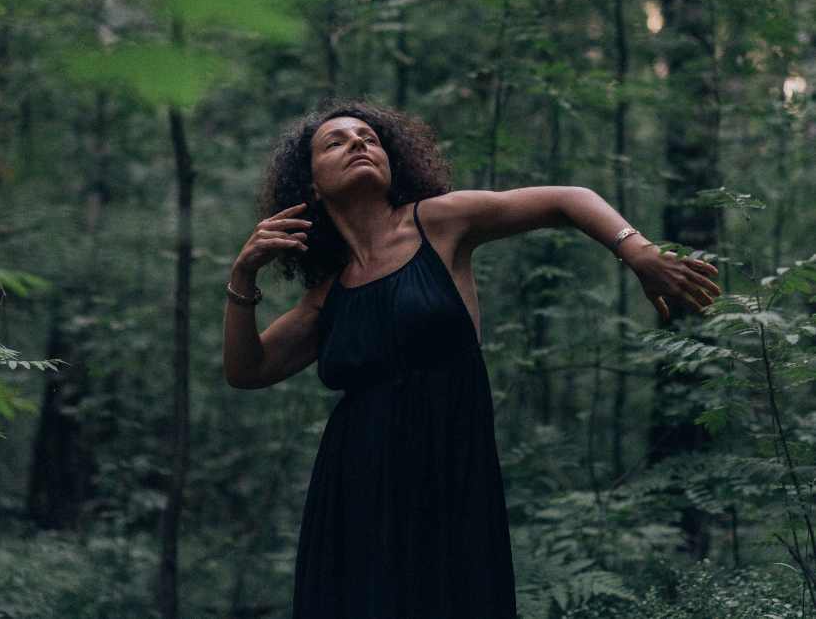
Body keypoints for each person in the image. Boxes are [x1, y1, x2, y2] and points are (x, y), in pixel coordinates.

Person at [223, 101, 721, 619]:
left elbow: (568, 200)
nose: (358, 143)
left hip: (448, 469)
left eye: (369, 137)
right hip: (355, 490)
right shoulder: (328, 297)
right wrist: (242, 276)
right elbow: (247, 370)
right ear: (311, 188)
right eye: (337, 141)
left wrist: (636, 251)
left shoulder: (438, 222)